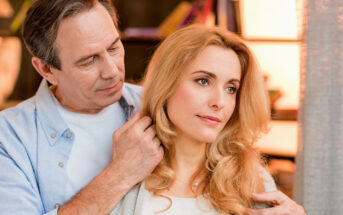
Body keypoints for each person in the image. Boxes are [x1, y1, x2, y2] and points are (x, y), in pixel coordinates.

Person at [0, 0, 304, 214]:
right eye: (88, 60)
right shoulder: (11, 137)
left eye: (114, 47)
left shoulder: (162, 104)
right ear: (45, 69)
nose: (112, 71)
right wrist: (118, 175)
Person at [111, 24, 306, 215]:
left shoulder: (252, 180)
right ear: (166, 85)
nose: (219, 102)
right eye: (203, 81)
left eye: (231, 89)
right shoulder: (125, 173)